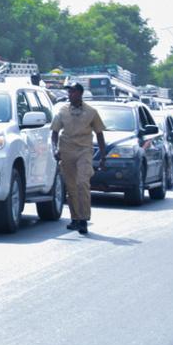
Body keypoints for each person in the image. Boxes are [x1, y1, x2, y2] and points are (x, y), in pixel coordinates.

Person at [51, 82, 107, 235]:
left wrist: (103, 157)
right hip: (67, 151)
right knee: (71, 186)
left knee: (82, 182)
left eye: (73, 92)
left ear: (81, 94)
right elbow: (55, 132)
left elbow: (100, 133)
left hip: (84, 150)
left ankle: (83, 219)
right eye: (69, 92)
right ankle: (75, 218)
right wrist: (55, 149)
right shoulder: (62, 111)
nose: (70, 95)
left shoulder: (91, 112)